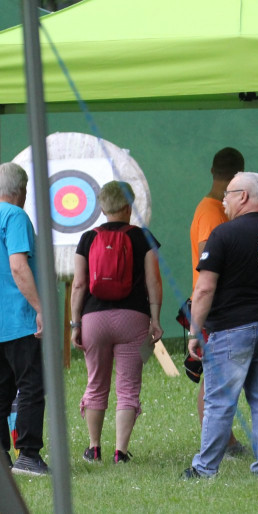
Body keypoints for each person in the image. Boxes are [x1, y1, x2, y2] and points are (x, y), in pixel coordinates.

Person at [183, 172, 258, 479]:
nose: (223, 200)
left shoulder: (223, 235)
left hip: (231, 330)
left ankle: (205, 469)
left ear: (244, 197)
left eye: (228, 193)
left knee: (220, 401)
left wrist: (195, 331)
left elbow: (205, 288)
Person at [70, 181, 163, 464]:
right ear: (128, 206)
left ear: (102, 206)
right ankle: (120, 452)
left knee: (96, 383)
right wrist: (155, 319)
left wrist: (76, 324)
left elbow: (79, 284)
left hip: (93, 319)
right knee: (128, 387)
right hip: (132, 318)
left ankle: (94, 447)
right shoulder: (142, 237)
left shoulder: (87, 238)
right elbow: (153, 281)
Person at [0, 162, 48, 477]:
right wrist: (40, 307)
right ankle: (28, 455)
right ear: (21, 191)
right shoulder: (14, 216)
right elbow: (18, 266)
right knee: (31, 385)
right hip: (18, 318)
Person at [187, 146, 245, 456]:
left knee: (219, 373)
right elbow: (209, 252)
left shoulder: (216, 208)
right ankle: (221, 441)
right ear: (239, 177)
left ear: (212, 170)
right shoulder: (211, 210)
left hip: (219, 302)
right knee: (213, 375)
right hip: (213, 304)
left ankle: (224, 438)